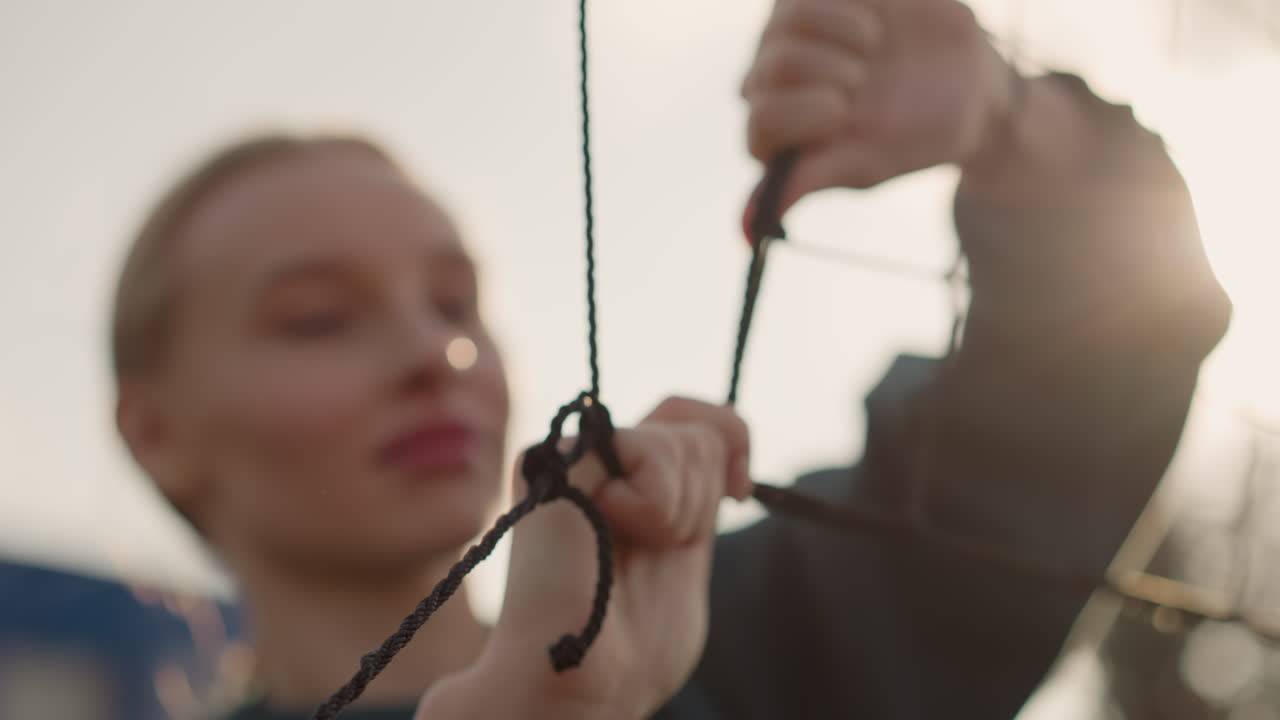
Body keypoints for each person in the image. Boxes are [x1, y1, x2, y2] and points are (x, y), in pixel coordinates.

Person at [110, 1, 1231, 719]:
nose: (429, 352)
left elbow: (1073, 408)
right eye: (315, 316)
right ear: (155, 429)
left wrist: (1009, 124)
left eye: (454, 301)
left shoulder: (752, 643)